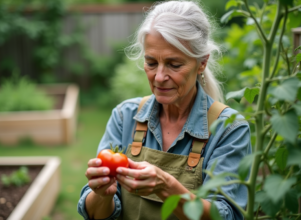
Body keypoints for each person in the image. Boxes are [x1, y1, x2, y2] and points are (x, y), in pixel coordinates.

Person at [77, 1, 251, 220]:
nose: (159, 77)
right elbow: (94, 213)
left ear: (202, 63)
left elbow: (226, 216)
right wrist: (102, 194)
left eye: (174, 64)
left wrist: (167, 186)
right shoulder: (125, 117)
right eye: (151, 62)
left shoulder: (228, 128)